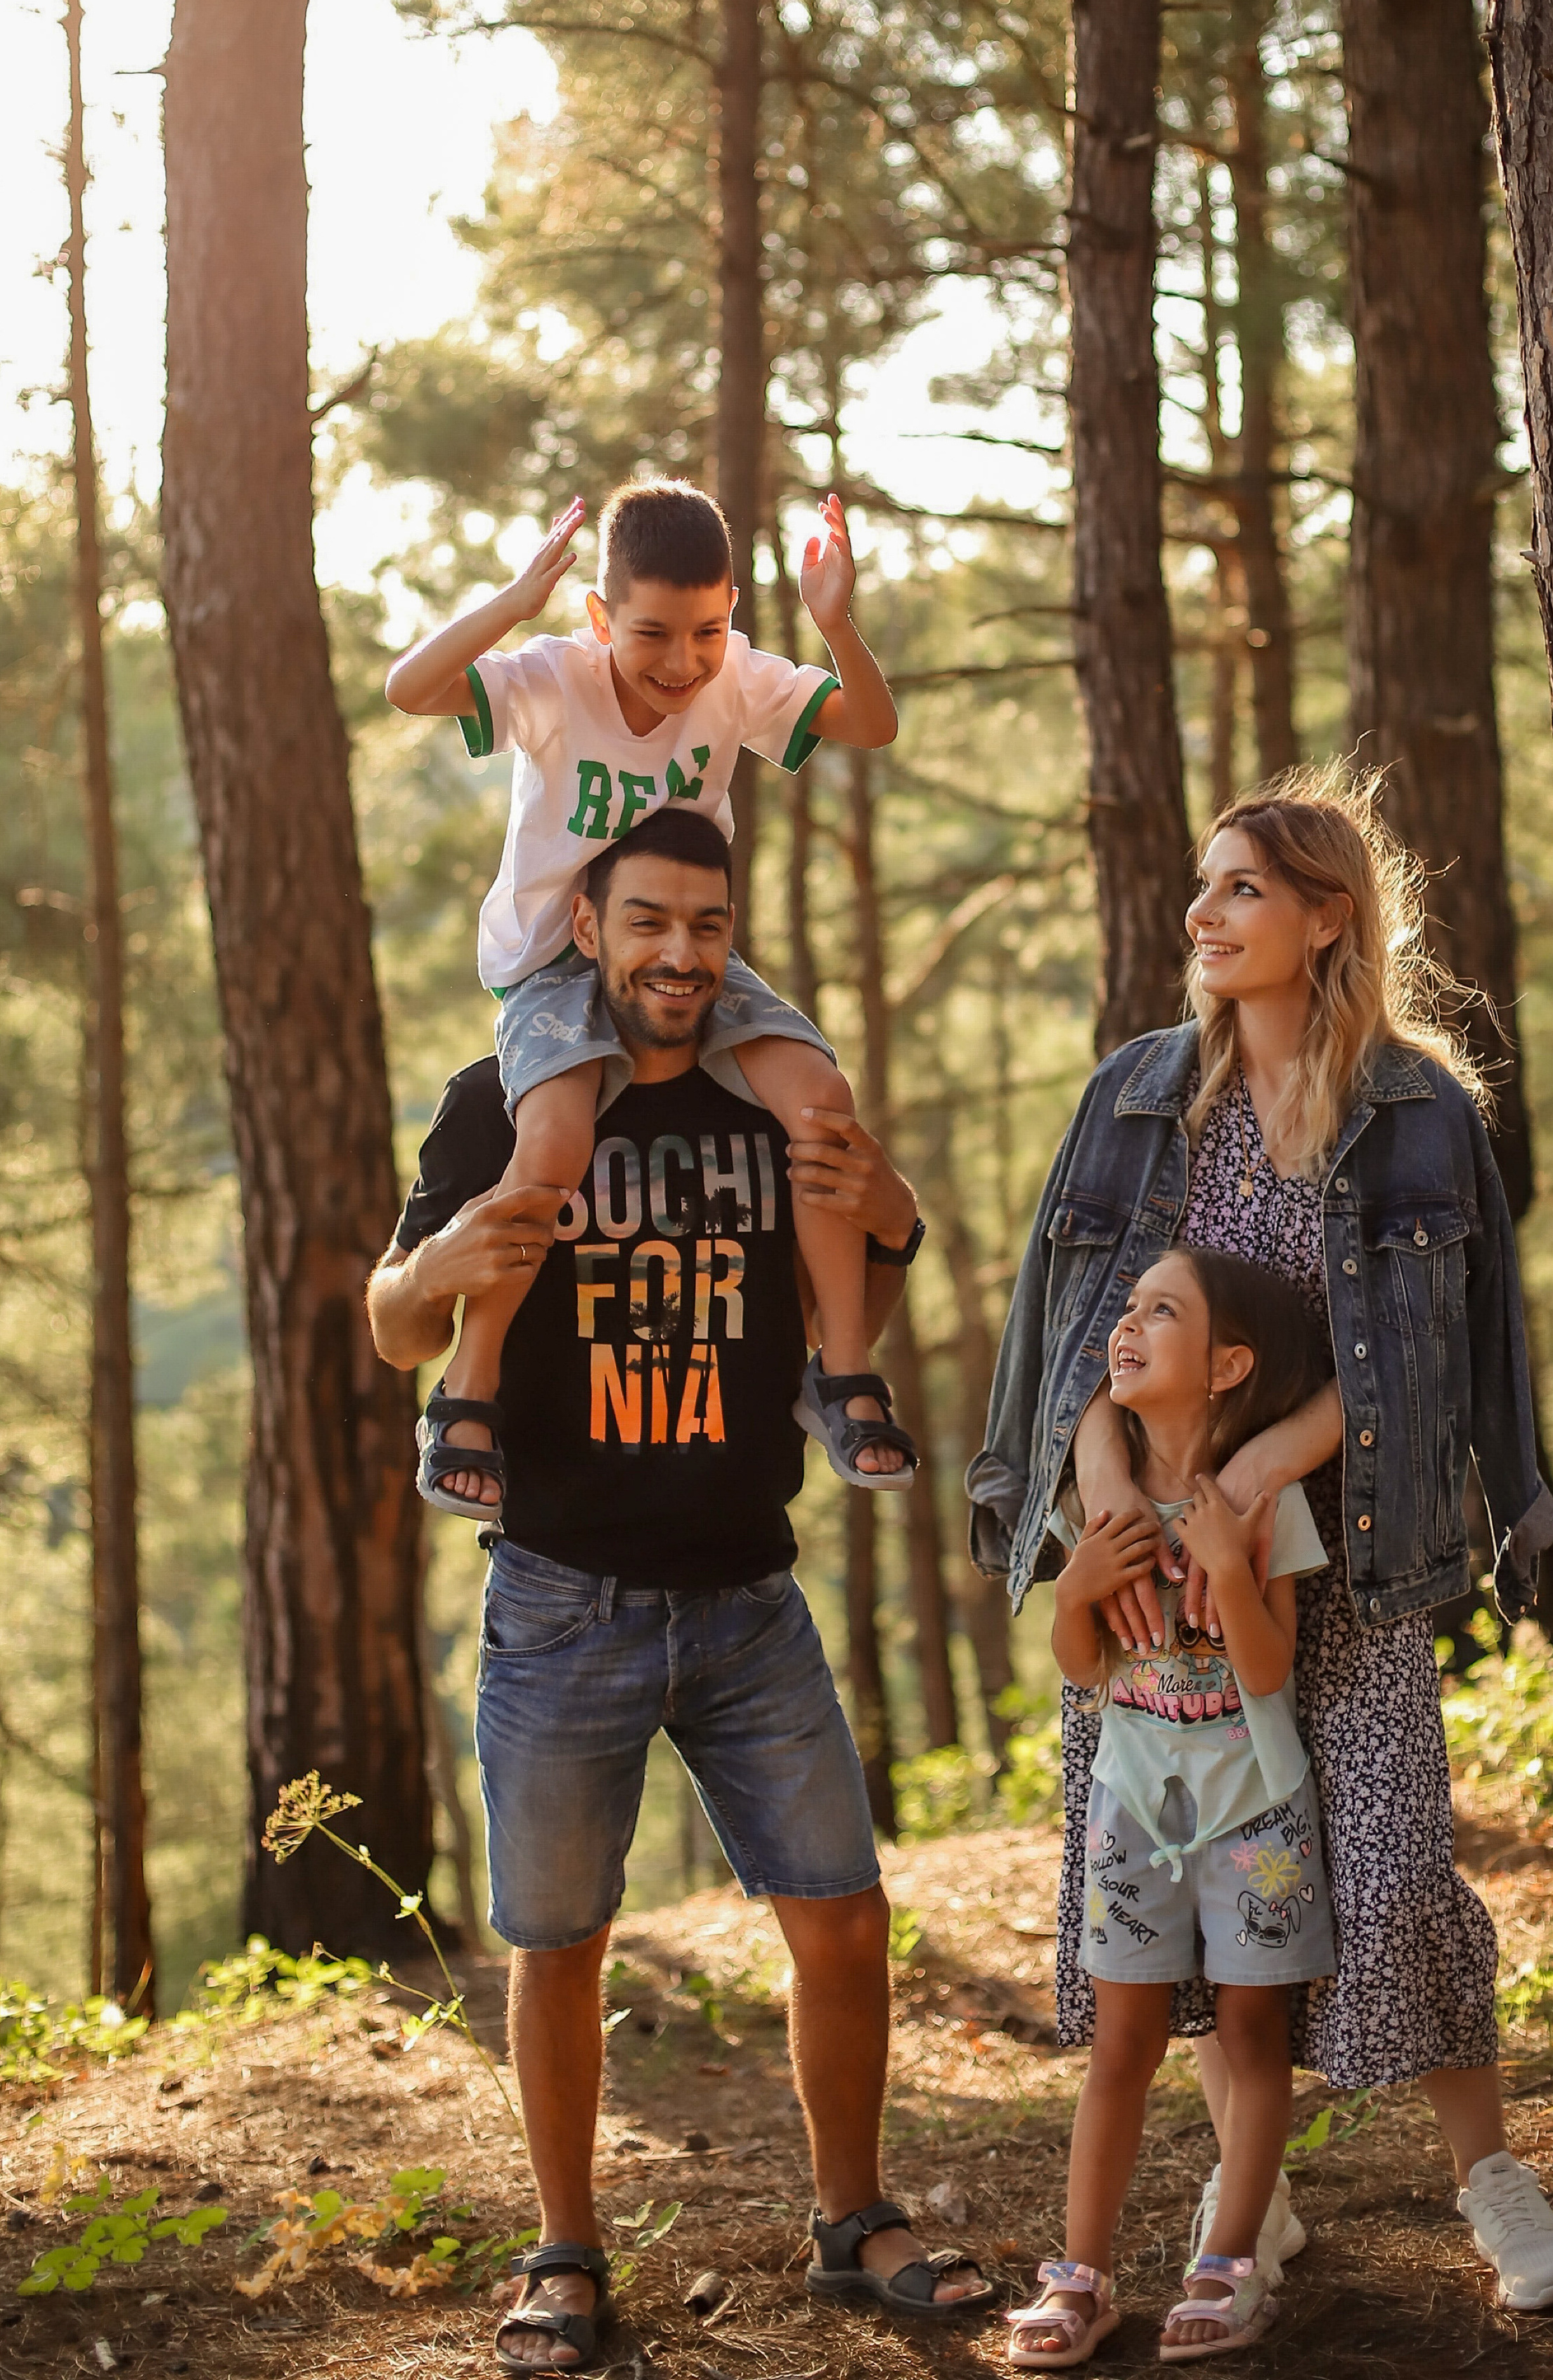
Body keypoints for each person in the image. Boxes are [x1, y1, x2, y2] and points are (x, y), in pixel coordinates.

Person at [367, 810, 991, 2375]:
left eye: (706, 927)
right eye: (647, 921)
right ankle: (565, 2252)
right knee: (560, 1946)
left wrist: (896, 1198)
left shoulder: (766, 1088)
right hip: (562, 1600)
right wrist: (434, 1274)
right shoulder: (505, 1097)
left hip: (746, 1598)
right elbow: (388, 1324)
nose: (678, 955)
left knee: (842, 1926)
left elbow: (875, 1253)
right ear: (588, 929)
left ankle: (851, 2223)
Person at [969, 767, 1553, 2317]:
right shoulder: (1131, 1095)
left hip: (1350, 1545)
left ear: (1327, 917)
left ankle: (1485, 2181)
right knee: (1177, 1875)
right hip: (1153, 1561)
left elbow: (1446, 1350)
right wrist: (1101, 1471)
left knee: (1387, 1881)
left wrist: (1258, 1467)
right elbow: (1063, 1328)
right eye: (1204, 887)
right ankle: (1251, 2188)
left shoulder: (1415, 1112)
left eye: (1241, 887)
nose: (1204, 914)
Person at [385, 477, 917, 1502]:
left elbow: (871, 724)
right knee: (551, 1140)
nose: (683, 664)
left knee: (821, 1100)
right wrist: (510, 601)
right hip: (556, 960)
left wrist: (838, 623)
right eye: (653, 635)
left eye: (709, 631)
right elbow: (411, 688)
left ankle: (843, 1373)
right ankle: (470, 1387)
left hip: (683, 949)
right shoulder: (555, 677)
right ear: (599, 619)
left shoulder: (736, 679)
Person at [1006, 1247, 1336, 2369]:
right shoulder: (1095, 1502)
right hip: (1130, 1816)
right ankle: (1081, 2277)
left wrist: (1227, 1569)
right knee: (1120, 2045)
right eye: (1129, 1308)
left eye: (1164, 1312)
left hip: (1259, 1820)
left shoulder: (1264, 1501)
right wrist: (1077, 1591)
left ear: (1228, 1364)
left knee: (1252, 2035)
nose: (1127, 1326)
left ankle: (1230, 2263)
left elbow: (1267, 1669)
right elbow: (1081, 1668)